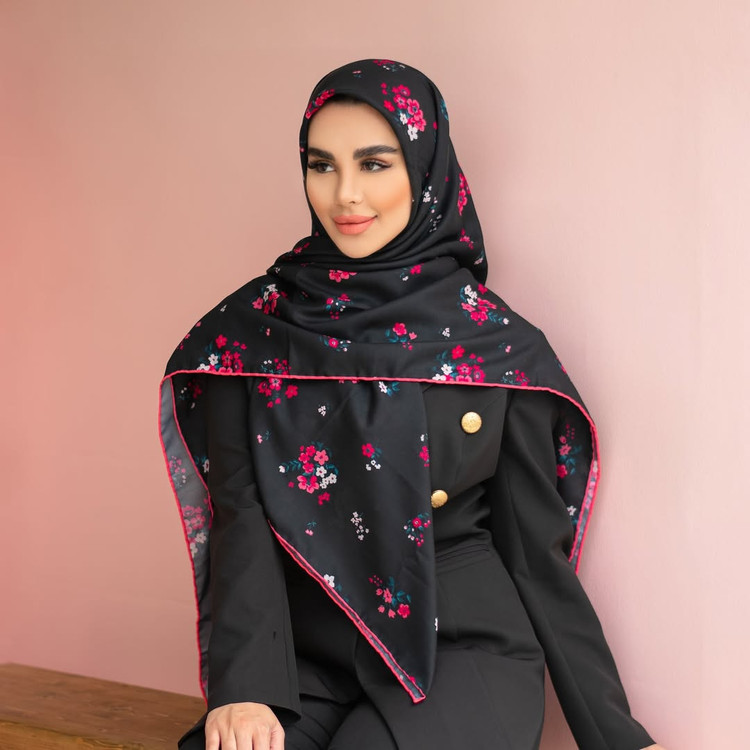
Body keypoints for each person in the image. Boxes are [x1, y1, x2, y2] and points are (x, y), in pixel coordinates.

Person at [160, 59, 665, 750]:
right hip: (302, 659)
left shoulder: (492, 345)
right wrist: (244, 686)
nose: (344, 194)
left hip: (462, 649)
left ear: (425, 168)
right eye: (321, 165)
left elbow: (534, 558)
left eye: (374, 164)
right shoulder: (251, 334)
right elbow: (239, 518)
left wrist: (617, 737)